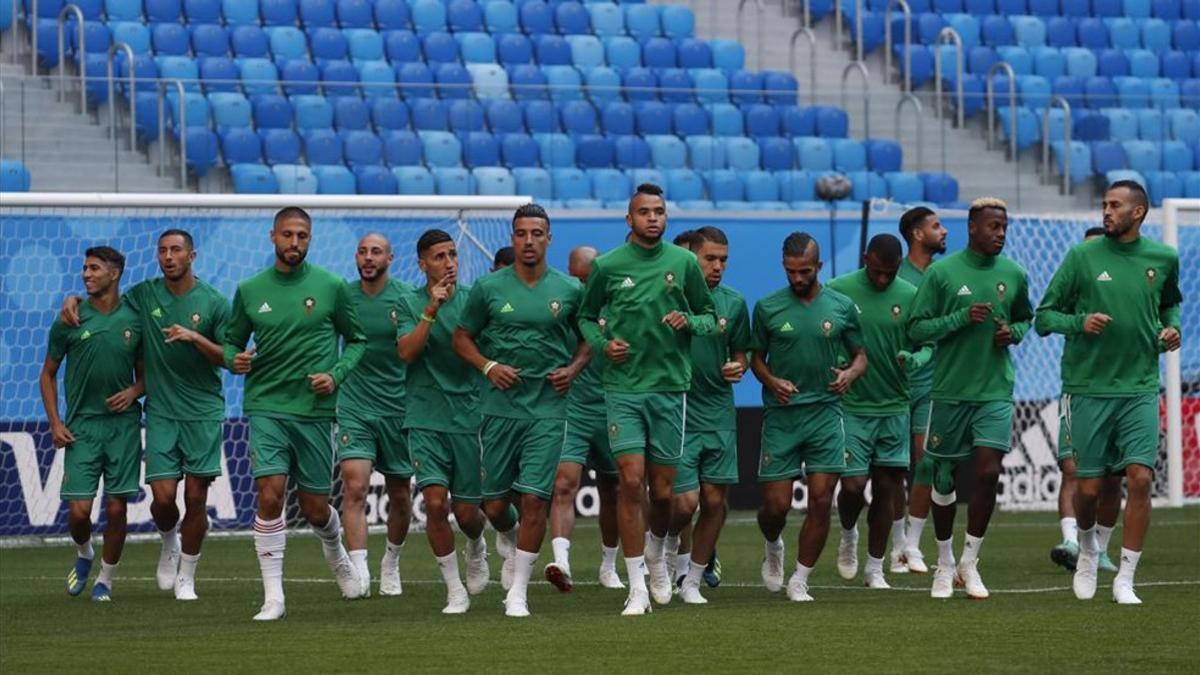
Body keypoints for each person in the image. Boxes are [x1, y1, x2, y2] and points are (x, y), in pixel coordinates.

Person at [60, 230, 229, 600]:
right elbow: (106, 301)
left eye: (176, 250)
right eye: (163, 250)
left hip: (202, 410)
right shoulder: (144, 295)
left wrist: (195, 338)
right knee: (164, 498)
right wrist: (73, 298)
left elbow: (230, 358)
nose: (168, 256)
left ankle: (187, 573)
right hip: (161, 412)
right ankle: (169, 537)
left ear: (192, 256)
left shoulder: (214, 302)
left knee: (196, 498)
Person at [1035, 181, 1182, 604]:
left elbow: (1171, 305)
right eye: (1104, 204)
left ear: (1138, 213)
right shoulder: (1082, 256)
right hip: (1088, 388)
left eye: (1114, 205)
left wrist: (1172, 330)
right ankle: (1086, 550)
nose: (1106, 211)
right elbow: (1045, 317)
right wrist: (1078, 322)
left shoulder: (1164, 258)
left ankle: (1125, 580)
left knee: (1139, 479)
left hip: (1139, 386)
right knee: (1088, 490)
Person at [576, 183, 717, 615]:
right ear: (629, 219)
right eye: (644, 211)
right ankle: (636, 584)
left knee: (663, 493)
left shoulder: (684, 264)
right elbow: (585, 317)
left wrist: (689, 320)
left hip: (670, 390)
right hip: (623, 390)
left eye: (659, 211)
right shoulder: (608, 266)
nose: (652, 217)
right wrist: (602, 346)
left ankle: (658, 551)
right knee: (630, 481)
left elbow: (710, 318)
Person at [223, 207, 368, 621]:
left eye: (302, 236)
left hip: (316, 411)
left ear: (310, 239)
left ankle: (335, 549)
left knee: (315, 508)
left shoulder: (332, 286)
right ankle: (274, 596)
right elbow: (231, 342)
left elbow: (356, 340)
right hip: (267, 405)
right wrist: (236, 359)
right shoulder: (250, 289)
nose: (294, 243)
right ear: (273, 237)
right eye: (287, 235)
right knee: (270, 493)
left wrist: (336, 375)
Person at [453, 203, 589, 617]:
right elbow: (461, 337)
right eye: (521, 234)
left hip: (547, 410)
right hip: (498, 411)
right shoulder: (488, 288)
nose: (529, 241)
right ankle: (510, 539)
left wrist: (573, 368)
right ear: (512, 238)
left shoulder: (569, 290)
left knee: (534, 499)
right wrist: (488, 366)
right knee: (494, 505)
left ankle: (518, 593)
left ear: (549, 239)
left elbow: (589, 339)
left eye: (536, 234)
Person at [908, 197, 1034, 600]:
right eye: (993, 227)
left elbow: (1024, 318)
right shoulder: (943, 274)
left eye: (1004, 227)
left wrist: (1011, 333)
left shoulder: (1013, 273)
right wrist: (960, 318)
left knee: (987, 471)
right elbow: (916, 327)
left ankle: (970, 562)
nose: (1000, 234)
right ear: (973, 228)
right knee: (943, 478)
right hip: (948, 391)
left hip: (995, 389)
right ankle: (943, 563)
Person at [752, 232, 867, 602]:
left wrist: (849, 373)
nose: (797, 278)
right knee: (775, 507)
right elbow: (755, 358)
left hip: (825, 414)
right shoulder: (768, 307)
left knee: (820, 500)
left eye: (804, 271)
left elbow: (861, 356)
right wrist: (771, 380)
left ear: (818, 266)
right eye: (790, 271)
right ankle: (773, 545)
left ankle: (800, 579)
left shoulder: (842, 306)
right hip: (782, 417)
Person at [40, 247, 144, 602]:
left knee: (117, 508)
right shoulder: (69, 318)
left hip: (123, 427)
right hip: (81, 427)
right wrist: (55, 423)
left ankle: (106, 580)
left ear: (113, 274)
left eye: (93, 268)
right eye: (84, 268)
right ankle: (84, 552)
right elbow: (47, 375)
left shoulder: (135, 317)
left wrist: (134, 391)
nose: (86, 274)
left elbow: (147, 376)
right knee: (79, 512)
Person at [828, 234, 930, 589]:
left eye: (890, 273)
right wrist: (838, 362)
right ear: (864, 259)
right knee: (854, 486)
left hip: (895, 406)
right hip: (853, 406)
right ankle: (848, 532)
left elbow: (927, 345)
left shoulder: (911, 295)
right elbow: (826, 336)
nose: (883, 279)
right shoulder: (838, 291)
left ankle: (875, 568)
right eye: (877, 271)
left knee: (888, 491)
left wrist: (915, 358)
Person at [396, 229, 490, 614]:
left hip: (467, 415)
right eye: (439, 256)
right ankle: (454, 589)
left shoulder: (474, 301)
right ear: (422, 264)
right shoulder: (407, 302)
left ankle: (477, 545)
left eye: (453, 254)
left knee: (467, 513)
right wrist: (430, 311)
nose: (449, 262)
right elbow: (407, 352)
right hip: (424, 415)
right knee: (435, 503)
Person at [664, 226, 750, 604]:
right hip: (679, 410)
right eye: (710, 259)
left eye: (723, 260)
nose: (717, 266)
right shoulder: (671, 299)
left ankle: (693, 581)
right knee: (684, 503)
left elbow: (741, 352)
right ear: (691, 259)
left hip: (718, 412)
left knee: (715, 502)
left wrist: (737, 366)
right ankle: (665, 547)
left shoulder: (733, 303)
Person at [337, 234, 415, 598]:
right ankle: (359, 569)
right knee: (354, 487)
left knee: (400, 494)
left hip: (399, 408)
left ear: (390, 258)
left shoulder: (406, 298)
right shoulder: (343, 296)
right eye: (363, 252)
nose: (368, 258)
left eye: (376, 252)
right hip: (354, 405)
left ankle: (391, 562)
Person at [546, 245, 625, 591]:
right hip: (572, 407)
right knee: (563, 483)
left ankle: (609, 564)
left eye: (587, 278)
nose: (580, 286)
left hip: (611, 405)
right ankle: (561, 562)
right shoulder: (561, 307)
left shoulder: (618, 307)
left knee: (613, 489)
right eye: (575, 278)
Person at [1048, 226, 1122, 575]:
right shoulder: (1073, 285)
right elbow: (1045, 319)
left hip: (1123, 389)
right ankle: (1072, 542)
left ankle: (1101, 549)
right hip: (1079, 388)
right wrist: (1079, 322)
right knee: (1073, 469)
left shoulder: (1127, 283)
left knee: (1113, 477)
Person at [894, 206, 947, 574]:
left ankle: (912, 544)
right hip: (896, 384)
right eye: (936, 226)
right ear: (916, 234)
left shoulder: (944, 276)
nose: (943, 231)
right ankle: (896, 545)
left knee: (925, 461)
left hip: (934, 383)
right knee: (893, 470)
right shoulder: (895, 277)